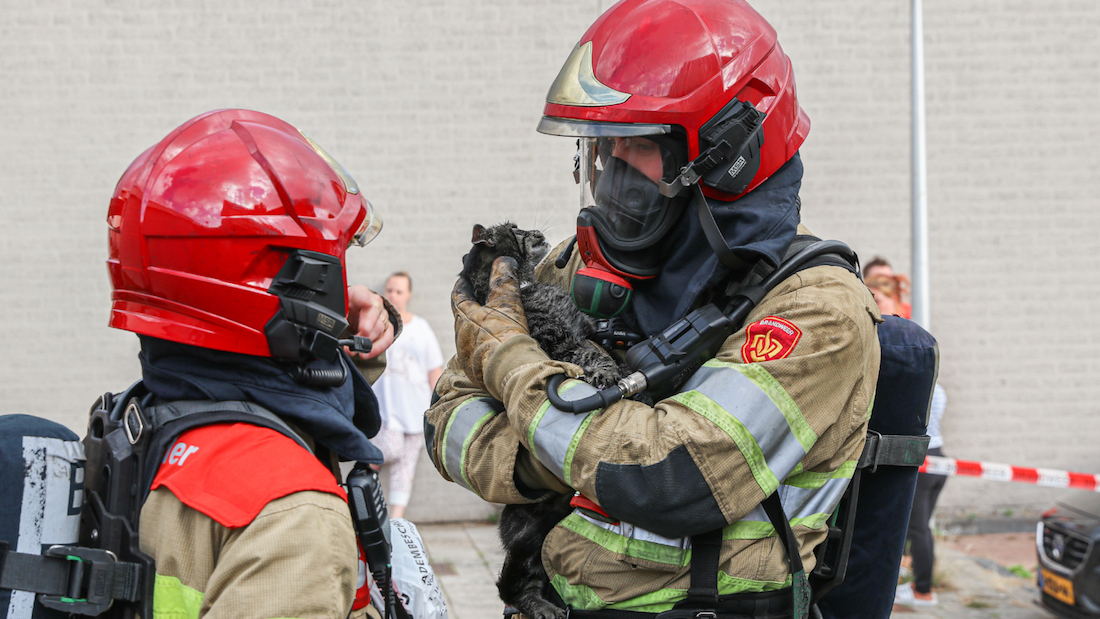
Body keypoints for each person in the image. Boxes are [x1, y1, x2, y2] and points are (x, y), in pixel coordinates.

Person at [425, 1, 881, 616]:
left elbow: (666, 476)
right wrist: (564, 457)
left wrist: (510, 359)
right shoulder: (574, 263)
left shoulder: (817, 309)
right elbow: (447, 419)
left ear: (727, 151)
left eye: (634, 144)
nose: (609, 168)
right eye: (600, 146)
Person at [107, 109, 397, 619]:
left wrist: (323, 328)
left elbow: (284, 397)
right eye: (331, 265)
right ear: (293, 282)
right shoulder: (293, 516)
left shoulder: (144, 418)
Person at [372, 271, 444, 519]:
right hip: (385, 408)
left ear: (408, 295)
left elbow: (434, 369)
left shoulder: (421, 328)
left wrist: (438, 406)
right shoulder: (377, 325)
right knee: (391, 448)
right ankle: (367, 464)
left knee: (406, 466)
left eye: (399, 291)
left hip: (415, 407)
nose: (393, 295)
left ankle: (396, 519)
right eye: (389, 290)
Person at [894, 383, 948, 607]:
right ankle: (914, 581)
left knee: (919, 529)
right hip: (939, 456)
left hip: (923, 458)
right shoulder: (940, 389)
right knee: (919, 526)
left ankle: (924, 591)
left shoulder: (915, 387)